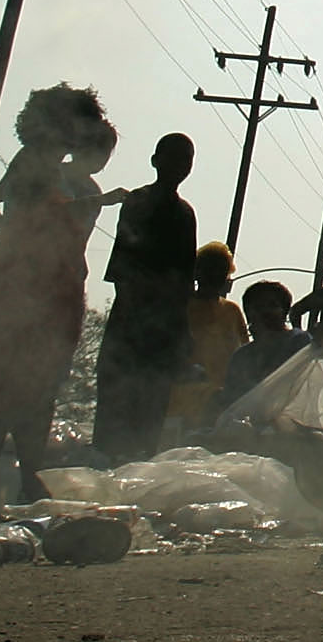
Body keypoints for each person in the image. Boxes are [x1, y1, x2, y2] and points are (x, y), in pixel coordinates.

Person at [0, 87, 117, 521]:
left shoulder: (58, 171)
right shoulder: (32, 164)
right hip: (19, 284)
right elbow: (42, 213)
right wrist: (14, 232)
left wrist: (11, 229)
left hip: (56, 285)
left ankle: (25, 478)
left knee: (41, 384)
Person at [92, 133, 199, 464]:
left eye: (185, 160)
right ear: (155, 160)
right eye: (172, 157)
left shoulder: (185, 214)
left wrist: (181, 334)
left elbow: (184, 281)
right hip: (131, 322)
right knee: (116, 413)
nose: (178, 166)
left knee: (150, 415)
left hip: (164, 330)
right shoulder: (137, 202)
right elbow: (125, 271)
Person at [170, 242, 248, 432]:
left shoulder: (232, 310)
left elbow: (246, 353)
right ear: (196, 273)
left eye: (221, 270)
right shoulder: (179, 307)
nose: (214, 275)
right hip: (181, 398)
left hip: (221, 402)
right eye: (208, 269)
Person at [213, 280, 311, 418]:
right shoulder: (242, 356)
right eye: (258, 307)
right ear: (248, 315)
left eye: (273, 305)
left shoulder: (299, 342)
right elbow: (231, 401)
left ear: (284, 312)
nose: (266, 312)